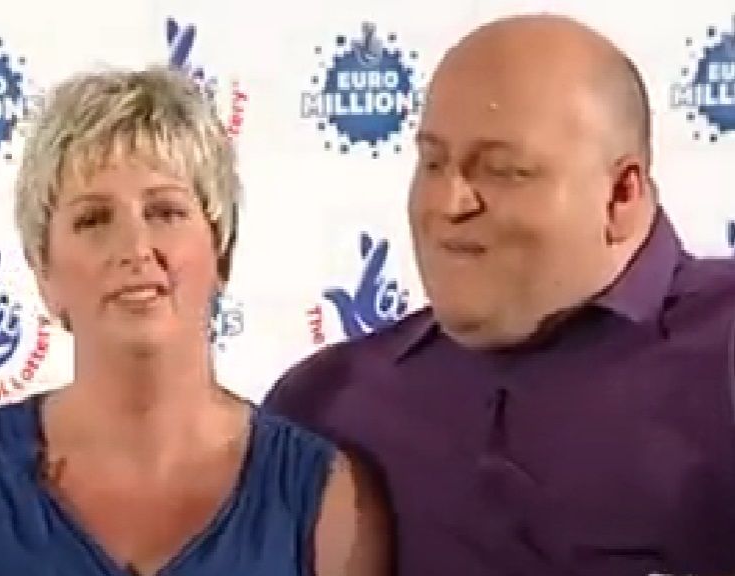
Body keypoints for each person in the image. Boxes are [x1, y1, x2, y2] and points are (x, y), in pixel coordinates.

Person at [264, 13, 735, 576]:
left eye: (503, 171)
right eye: (433, 163)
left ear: (620, 193)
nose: (449, 204)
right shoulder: (327, 408)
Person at [0, 65, 390, 576]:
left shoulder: (325, 502)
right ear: (44, 273)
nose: (135, 248)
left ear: (222, 252)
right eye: (93, 220)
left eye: (165, 212)